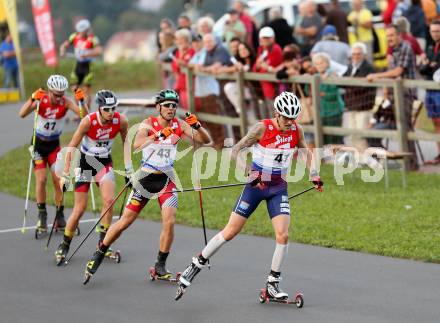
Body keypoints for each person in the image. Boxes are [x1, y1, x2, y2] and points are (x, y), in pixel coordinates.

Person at [174, 91, 323, 301]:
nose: (290, 121)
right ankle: (196, 264)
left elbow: (306, 152)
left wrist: (314, 174)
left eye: (293, 117)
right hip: (255, 187)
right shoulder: (262, 128)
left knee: (283, 234)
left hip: (278, 188)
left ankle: (272, 283)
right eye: (286, 117)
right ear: (277, 113)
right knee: (230, 231)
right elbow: (235, 150)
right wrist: (250, 173)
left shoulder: (296, 130)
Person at [82, 89, 212, 282]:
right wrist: (158, 135)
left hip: (166, 180)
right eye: (167, 105)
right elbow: (137, 144)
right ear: (158, 107)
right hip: (145, 180)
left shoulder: (179, 124)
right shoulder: (148, 124)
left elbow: (205, 140)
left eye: (174, 105)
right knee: (125, 221)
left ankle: (159, 267)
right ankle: (99, 252)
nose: (171, 109)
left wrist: (198, 127)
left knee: (169, 220)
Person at [54, 90, 128, 265]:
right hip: (85, 163)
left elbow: (126, 142)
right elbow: (71, 146)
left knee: (109, 201)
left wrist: (129, 169)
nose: (111, 112)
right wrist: (65, 174)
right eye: (107, 109)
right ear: (99, 108)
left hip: (103, 163)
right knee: (80, 208)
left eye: (113, 108)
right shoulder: (88, 122)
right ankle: (64, 244)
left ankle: (104, 244)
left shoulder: (120, 121)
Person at [18, 75, 86, 233]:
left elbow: (84, 116)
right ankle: (42, 216)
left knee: (58, 181)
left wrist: (81, 102)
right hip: (38, 146)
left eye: (61, 94)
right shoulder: (41, 101)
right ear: (49, 91)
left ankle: (60, 216)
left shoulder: (66, 102)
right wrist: (31, 99)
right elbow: (22, 114)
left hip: (54, 146)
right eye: (56, 94)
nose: (58, 97)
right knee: (41, 179)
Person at [367, 24, 418, 169]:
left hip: (406, 95)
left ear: (399, 35)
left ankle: (411, 166)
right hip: (392, 96)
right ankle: (390, 160)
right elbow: (391, 74)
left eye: (392, 35)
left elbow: (397, 72)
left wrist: (377, 76)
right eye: (387, 35)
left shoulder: (405, 48)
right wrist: (385, 90)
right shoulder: (393, 50)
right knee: (373, 129)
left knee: (406, 130)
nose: (389, 38)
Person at [59, 19, 102, 108]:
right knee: (75, 90)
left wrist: (87, 54)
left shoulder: (92, 39)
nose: (82, 33)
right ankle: (79, 111)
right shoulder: (74, 37)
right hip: (78, 66)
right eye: (80, 31)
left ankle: (87, 112)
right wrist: (62, 51)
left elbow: (99, 51)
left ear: (87, 30)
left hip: (87, 66)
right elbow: (63, 45)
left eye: (84, 31)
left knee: (86, 91)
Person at [342, 42, 376, 152]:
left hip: (363, 106)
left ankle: (365, 159)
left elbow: (360, 86)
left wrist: (349, 83)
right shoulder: (350, 66)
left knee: (361, 135)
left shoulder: (368, 68)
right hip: (351, 105)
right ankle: (358, 159)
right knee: (352, 135)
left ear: (364, 55)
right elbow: (343, 81)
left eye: (358, 54)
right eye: (354, 54)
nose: (356, 56)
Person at [420, 20, 440, 164]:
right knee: (435, 123)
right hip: (430, 90)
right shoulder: (430, 46)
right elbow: (422, 69)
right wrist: (428, 65)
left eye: (437, 31)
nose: (435, 34)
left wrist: (429, 65)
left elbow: (436, 67)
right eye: (432, 31)